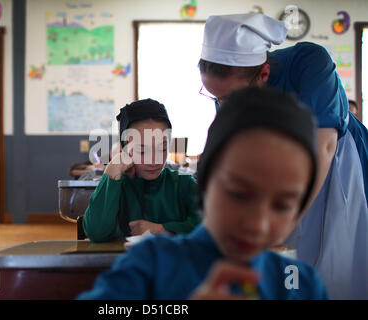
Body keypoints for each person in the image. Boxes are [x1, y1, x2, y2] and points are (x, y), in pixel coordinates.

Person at [77, 87, 328, 299]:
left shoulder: (302, 283)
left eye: (283, 205)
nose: (258, 224)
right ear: (207, 181)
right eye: (239, 195)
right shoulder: (149, 265)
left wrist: (163, 227)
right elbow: (96, 231)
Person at [198, 13, 368, 299]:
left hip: (336, 166)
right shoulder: (231, 94)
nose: (222, 105)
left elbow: (324, 146)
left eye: (226, 98)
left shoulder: (310, 62)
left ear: (263, 75)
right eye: (214, 97)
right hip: (283, 169)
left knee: (335, 265)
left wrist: (288, 220)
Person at [82, 98, 201, 242]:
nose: (154, 161)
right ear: (125, 150)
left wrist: (162, 229)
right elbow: (95, 232)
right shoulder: (117, 185)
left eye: (162, 149)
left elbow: (213, 225)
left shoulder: (184, 184)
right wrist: (111, 172)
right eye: (142, 151)